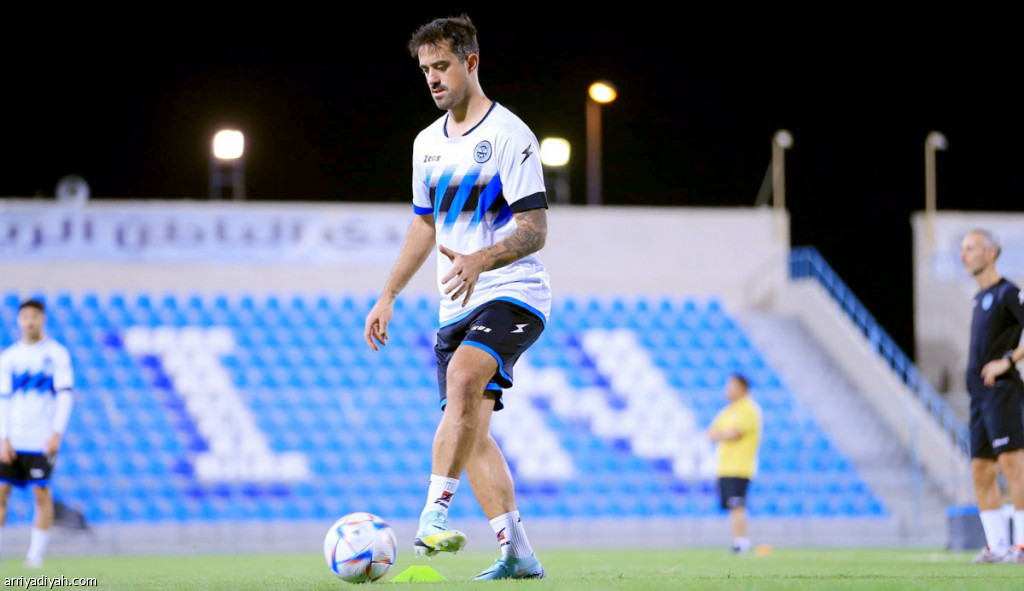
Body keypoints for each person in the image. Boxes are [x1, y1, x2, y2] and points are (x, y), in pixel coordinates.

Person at [363, 14, 549, 581]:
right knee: (471, 435)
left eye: (442, 66)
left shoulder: (510, 136)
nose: (433, 78)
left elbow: (535, 229)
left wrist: (480, 259)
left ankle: (431, 518)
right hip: (456, 303)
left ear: (471, 62)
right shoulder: (426, 144)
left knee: (464, 377)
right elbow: (425, 225)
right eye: (425, 69)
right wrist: (388, 295)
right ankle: (517, 554)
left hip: (513, 291)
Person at [958, 229, 1024, 563]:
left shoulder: (1008, 293)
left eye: (970, 249)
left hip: (1002, 393)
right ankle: (997, 546)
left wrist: (1007, 361)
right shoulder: (978, 298)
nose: (963, 256)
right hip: (978, 398)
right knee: (981, 470)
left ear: (990, 253)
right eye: (962, 249)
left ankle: (1022, 546)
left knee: (1013, 465)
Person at [0, 300, 74, 568]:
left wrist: (57, 433)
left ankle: (35, 557)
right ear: (19, 320)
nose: (29, 321)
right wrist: (3, 438)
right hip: (13, 439)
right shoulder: (9, 357)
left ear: (42, 319)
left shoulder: (57, 354)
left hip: (41, 439)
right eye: (25, 316)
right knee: (1, 493)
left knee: (41, 494)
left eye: (34, 316)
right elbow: (3, 400)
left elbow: (65, 396)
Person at [707, 373, 762, 554]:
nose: (727, 389)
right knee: (732, 506)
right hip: (725, 466)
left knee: (737, 504)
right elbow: (711, 432)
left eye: (731, 385)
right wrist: (722, 433)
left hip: (740, 467)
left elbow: (735, 433)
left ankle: (741, 541)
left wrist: (721, 434)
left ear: (742, 388)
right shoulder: (728, 411)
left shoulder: (748, 409)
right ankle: (738, 540)